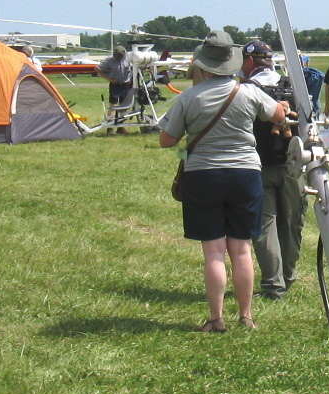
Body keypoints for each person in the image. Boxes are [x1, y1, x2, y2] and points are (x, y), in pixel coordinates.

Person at [158, 33, 288, 332]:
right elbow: (278, 113)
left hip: (203, 174)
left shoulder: (189, 97)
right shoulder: (248, 92)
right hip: (245, 173)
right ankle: (246, 315)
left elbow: (167, 140)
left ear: (203, 66)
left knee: (214, 252)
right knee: (241, 249)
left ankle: (216, 318)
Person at [241, 40, 303, 300]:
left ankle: (273, 285)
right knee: (292, 224)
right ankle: (287, 277)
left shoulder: (246, 89)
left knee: (264, 226)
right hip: (293, 166)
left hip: (259, 165)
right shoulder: (292, 85)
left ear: (250, 61)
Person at [96, 44, 134, 133]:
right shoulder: (109, 61)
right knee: (113, 106)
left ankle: (121, 126)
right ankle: (110, 127)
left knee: (124, 106)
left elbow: (134, 69)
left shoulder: (129, 59)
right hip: (115, 85)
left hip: (126, 85)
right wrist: (109, 79)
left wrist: (131, 79)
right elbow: (97, 69)